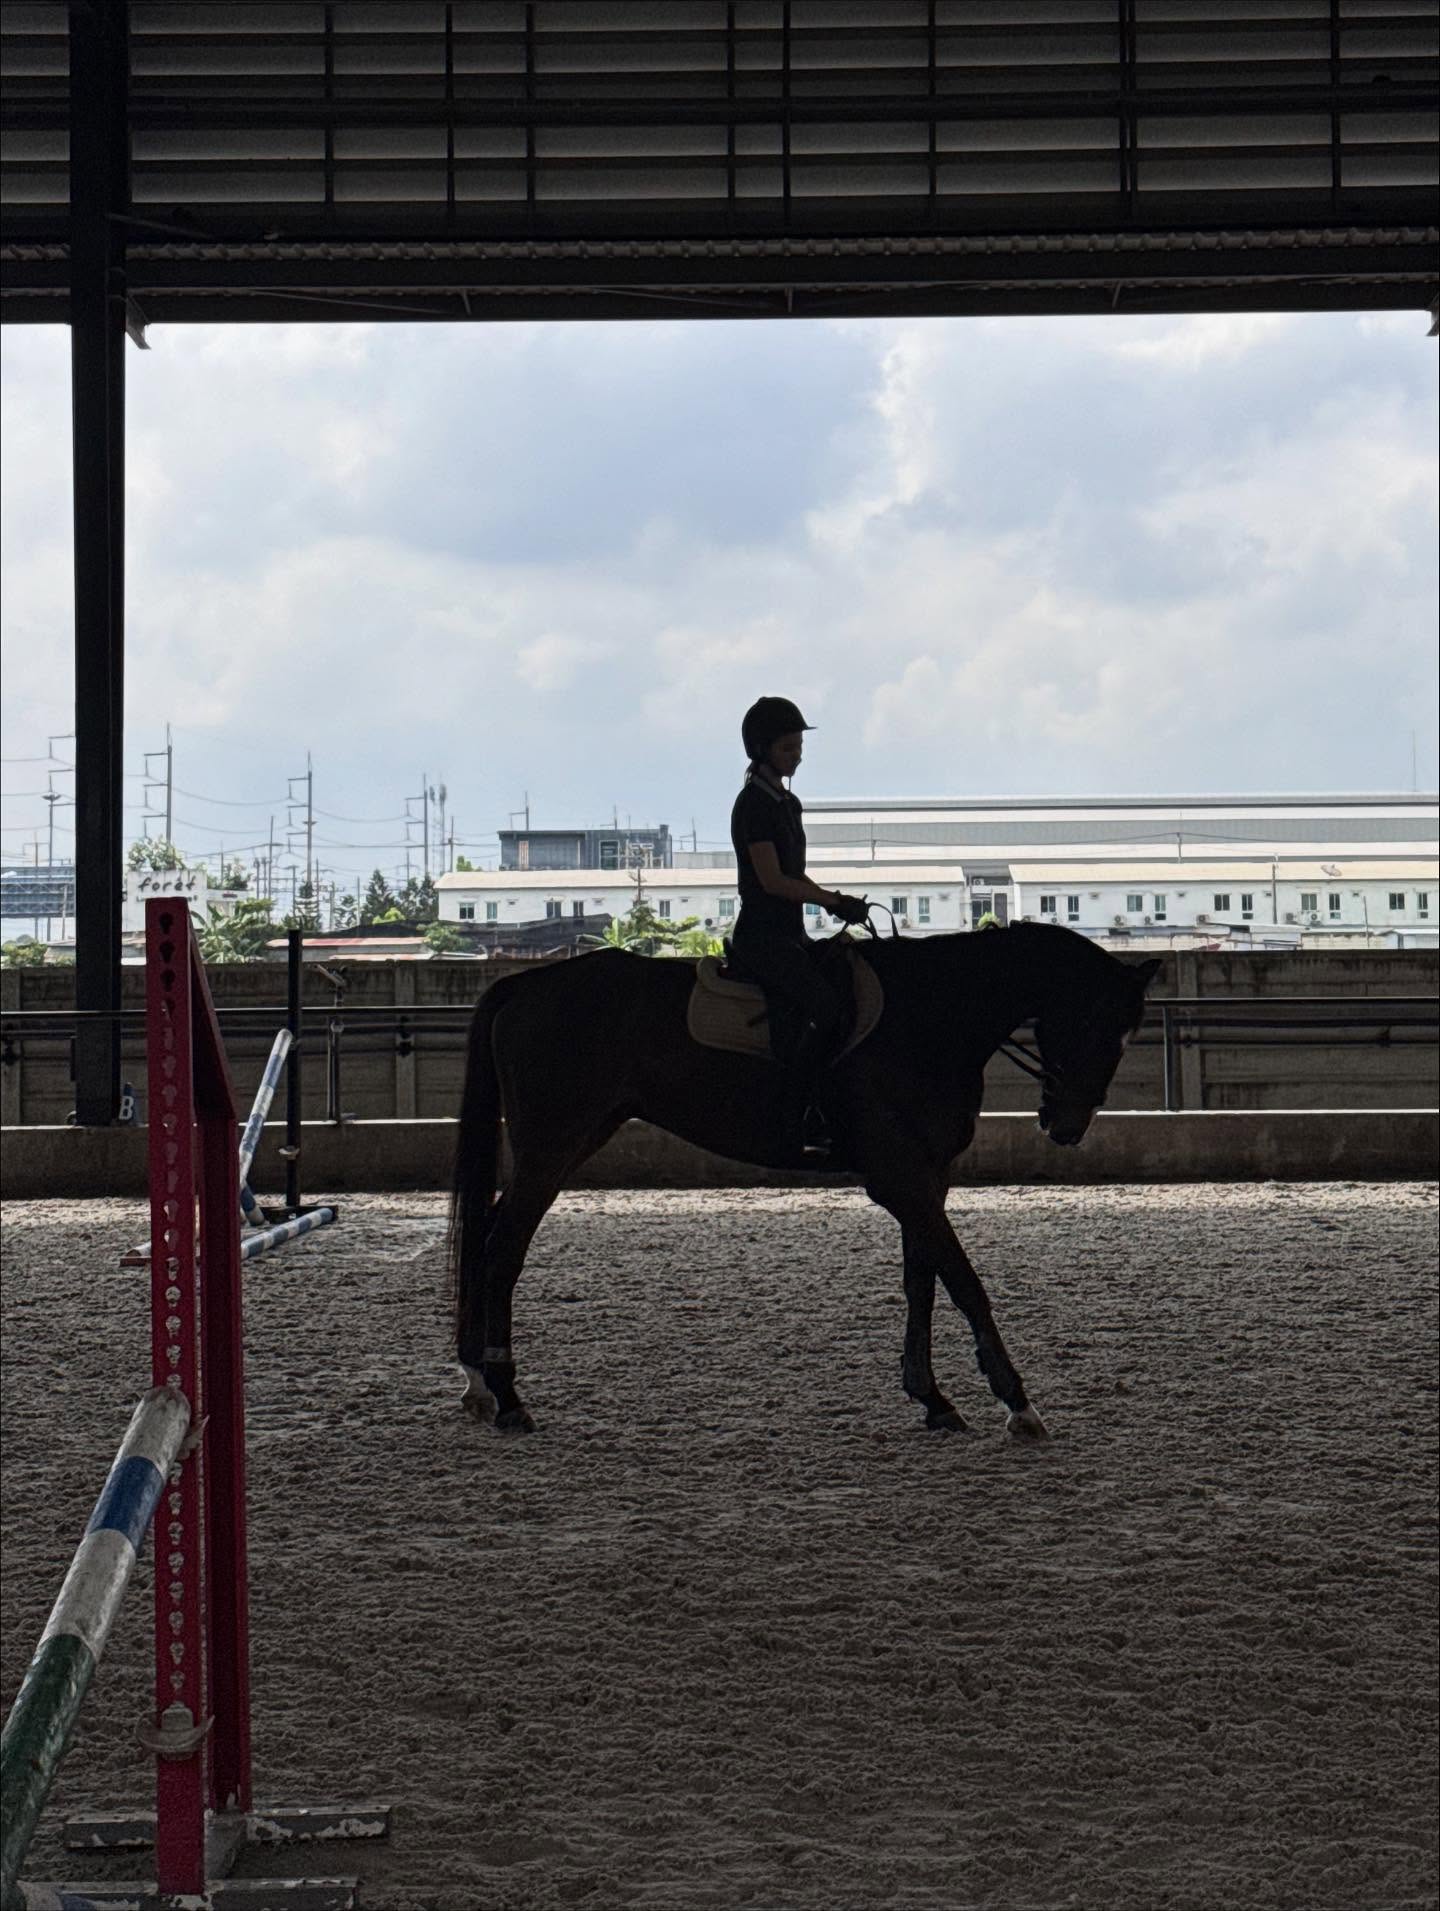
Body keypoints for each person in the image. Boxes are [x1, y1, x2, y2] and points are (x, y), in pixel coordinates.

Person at [729, 696, 870, 1161]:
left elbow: (797, 876)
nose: (797, 756)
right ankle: (800, 1113)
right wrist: (832, 901)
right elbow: (772, 881)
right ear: (762, 749)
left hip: (791, 934)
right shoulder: (754, 805)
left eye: (799, 747)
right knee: (825, 1008)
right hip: (762, 938)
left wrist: (836, 902)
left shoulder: (787, 803)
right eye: (788, 748)